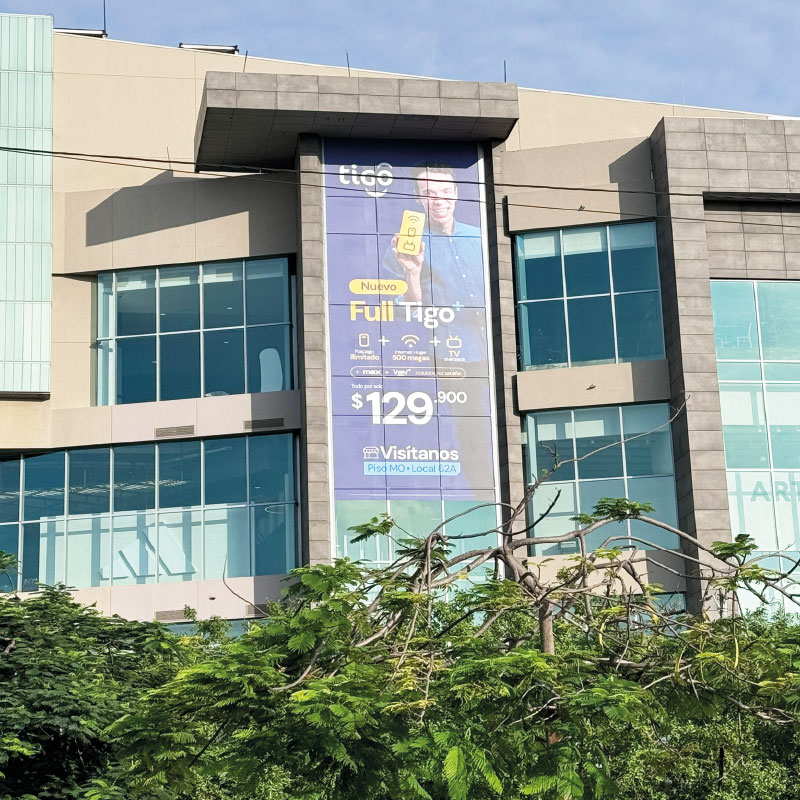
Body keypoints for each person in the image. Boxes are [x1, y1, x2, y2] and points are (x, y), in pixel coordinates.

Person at [384, 161, 485, 308]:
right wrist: (412, 273)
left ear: (456, 193)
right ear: (417, 198)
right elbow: (400, 312)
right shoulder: (405, 247)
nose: (439, 201)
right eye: (429, 193)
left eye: (446, 191)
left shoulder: (479, 237)